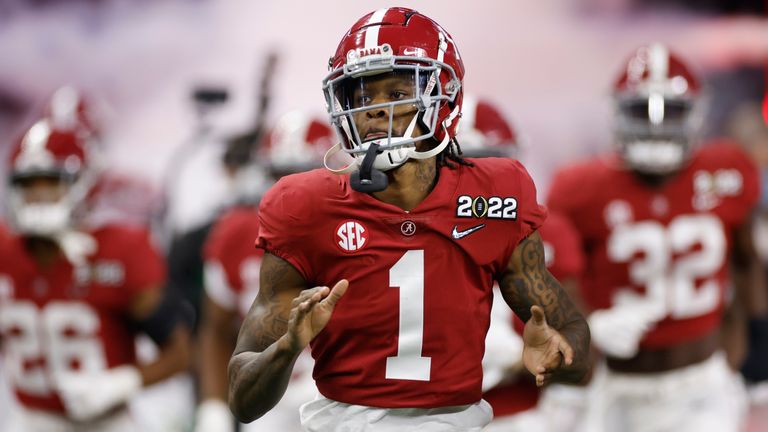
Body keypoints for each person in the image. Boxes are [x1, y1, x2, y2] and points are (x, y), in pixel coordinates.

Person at [227, 7, 590, 431]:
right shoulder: (303, 206)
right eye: (362, 97)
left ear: (444, 97)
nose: (376, 110)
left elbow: (577, 348)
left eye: (398, 91)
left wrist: (558, 354)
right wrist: (286, 349)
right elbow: (242, 398)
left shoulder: (496, 193)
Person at [548, 43, 766, 432]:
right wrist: (585, 325)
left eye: (673, 111)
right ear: (617, 112)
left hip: (702, 382)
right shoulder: (580, 188)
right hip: (615, 383)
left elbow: (747, 264)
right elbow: (555, 279)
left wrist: (753, 351)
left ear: (697, 114)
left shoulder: (727, 171)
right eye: (640, 111)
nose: (656, 125)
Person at [0, 119, 192, 431]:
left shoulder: (122, 249)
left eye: (51, 182)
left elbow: (180, 352)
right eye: (28, 183)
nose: (38, 195)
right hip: (31, 419)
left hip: (107, 422)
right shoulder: (4, 251)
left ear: (85, 184)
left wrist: (121, 382)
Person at [455, 95, 588, 432]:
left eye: (488, 165)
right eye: (462, 166)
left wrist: (537, 362)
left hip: (525, 413)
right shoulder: (410, 234)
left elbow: (577, 342)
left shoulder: (546, 231)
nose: (476, 184)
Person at [195, 111, 333, 432]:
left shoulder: (358, 231)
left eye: (303, 174)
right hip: (271, 397)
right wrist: (213, 407)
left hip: (341, 392)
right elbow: (215, 329)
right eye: (281, 174)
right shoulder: (235, 232)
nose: (292, 188)